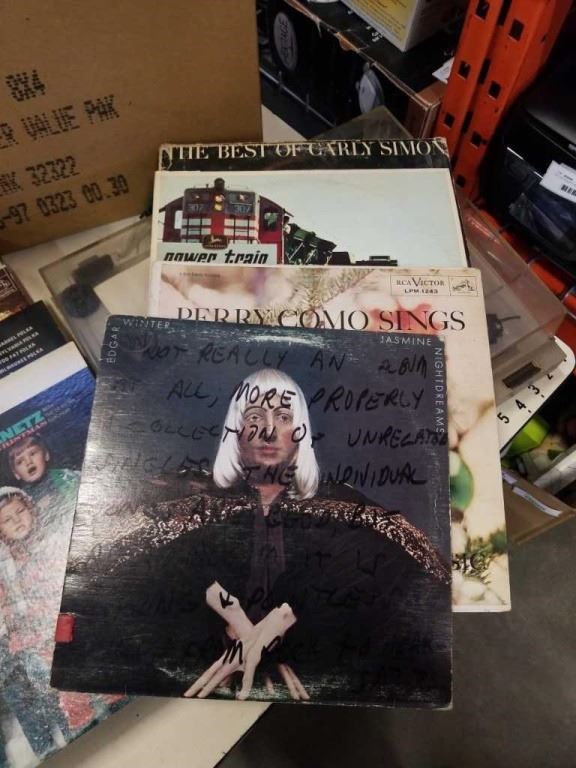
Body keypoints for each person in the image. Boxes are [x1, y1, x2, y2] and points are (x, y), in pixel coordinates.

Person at [57, 368, 451, 705]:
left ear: (300, 432)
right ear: (236, 430)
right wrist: (243, 631)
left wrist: (275, 629)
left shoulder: (341, 504)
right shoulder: (188, 494)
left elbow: (402, 572)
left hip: (308, 682)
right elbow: (128, 568)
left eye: (283, 416)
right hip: (198, 678)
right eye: (255, 415)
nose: (268, 429)